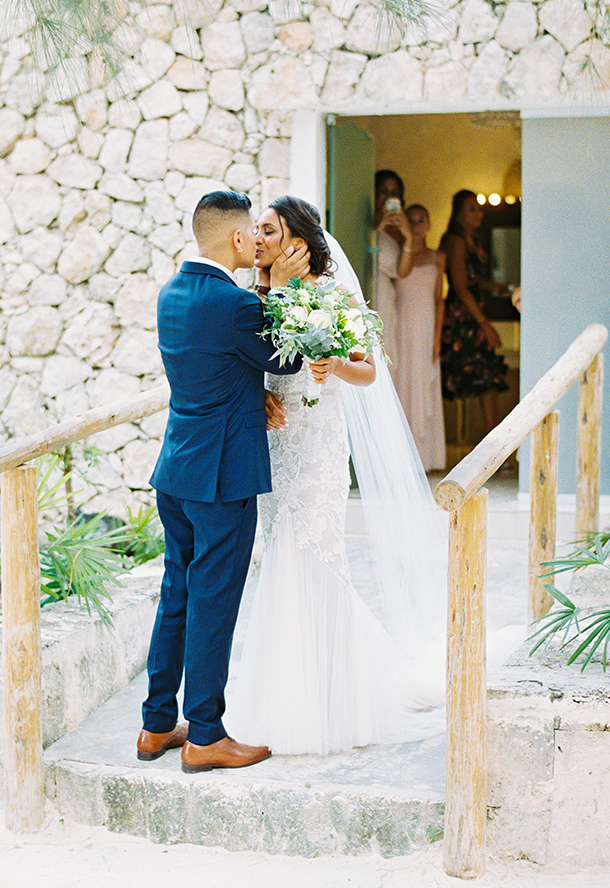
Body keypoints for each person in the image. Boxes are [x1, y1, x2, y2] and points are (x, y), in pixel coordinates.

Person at [226, 196, 447, 755]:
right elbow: (245, 363)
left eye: (269, 232)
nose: (258, 240)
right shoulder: (254, 295)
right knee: (278, 555)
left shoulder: (332, 296)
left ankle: (329, 701)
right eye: (257, 231)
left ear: (297, 242)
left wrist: (332, 366)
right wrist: (259, 397)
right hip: (276, 446)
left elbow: (369, 373)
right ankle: (282, 693)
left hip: (319, 444)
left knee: (317, 555)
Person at [137, 190, 305, 771]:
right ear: (236, 240)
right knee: (215, 602)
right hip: (221, 478)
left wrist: (245, 392)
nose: (257, 242)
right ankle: (206, 734)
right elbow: (285, 360)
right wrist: (279, 290)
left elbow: (212, 366)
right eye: (251, 234)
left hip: (176, 470)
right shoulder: (234, 303)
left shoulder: (172, 294)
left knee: (176, 595)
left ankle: (157, 725)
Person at [439, 190, 509, 436]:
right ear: (458, 213)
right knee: (483, 378)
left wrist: (494, 287)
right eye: (471, 209)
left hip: (472, 311)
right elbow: (459, 284)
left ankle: (493, 441)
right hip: (463, 316)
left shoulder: (471, 240)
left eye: (479, 208)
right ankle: (492, 444)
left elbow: (473, 278)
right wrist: (484, 324)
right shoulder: (456, 241)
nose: (478, 213)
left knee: (487, 378)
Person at [393, 204, 446, 472]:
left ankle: (426, 456)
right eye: (410, 221)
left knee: (423, 381)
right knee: (402, 381)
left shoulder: (439, 257)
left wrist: (437, 337)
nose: (416, 226)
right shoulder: (399, 253)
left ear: (429, 224)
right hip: (401, 324)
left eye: (420, 220)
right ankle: (401, 457)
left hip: (425, 327)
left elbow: (440, 300)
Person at [373, 170, 413, 375]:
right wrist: (377, 228)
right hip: (368, 289)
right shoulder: (367, 225)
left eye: (394, 193)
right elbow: (363, 255)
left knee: (387, 347)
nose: (388, 197)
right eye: (383, 191)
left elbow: (402, 272)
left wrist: (408, 237)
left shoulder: (397, 232)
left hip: (388, 295)